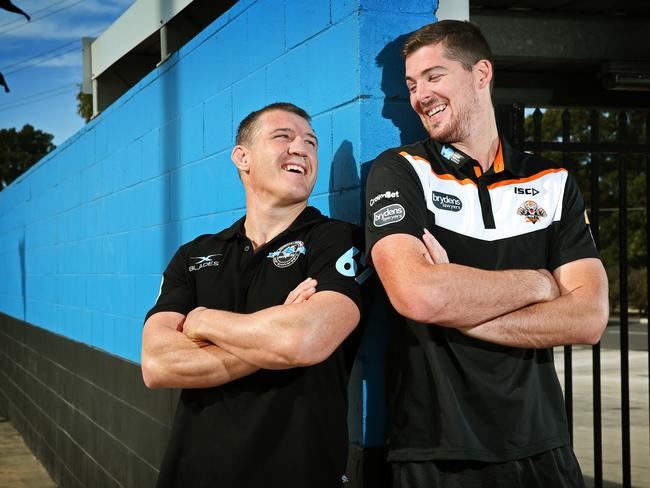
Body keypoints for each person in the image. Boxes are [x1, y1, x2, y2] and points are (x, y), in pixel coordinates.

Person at [365, 20, 609, 488]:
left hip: (543, 445)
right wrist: (540, 283)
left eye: (434, 76)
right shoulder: (400, 170)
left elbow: (589, 318)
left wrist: (454, 300)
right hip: (435, 450)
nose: (419, 96)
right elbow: (417, 296)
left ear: (481, 74)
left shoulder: (551, 181)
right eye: (412, 85)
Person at [142, 102, 370, 488]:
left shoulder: (339, 241)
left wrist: (202, 321)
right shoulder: (195, 255)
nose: (301, 148)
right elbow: (157, 365)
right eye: (284, 136)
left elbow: (304, 340)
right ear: (242, 157)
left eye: (311, 143)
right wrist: (275, 335)